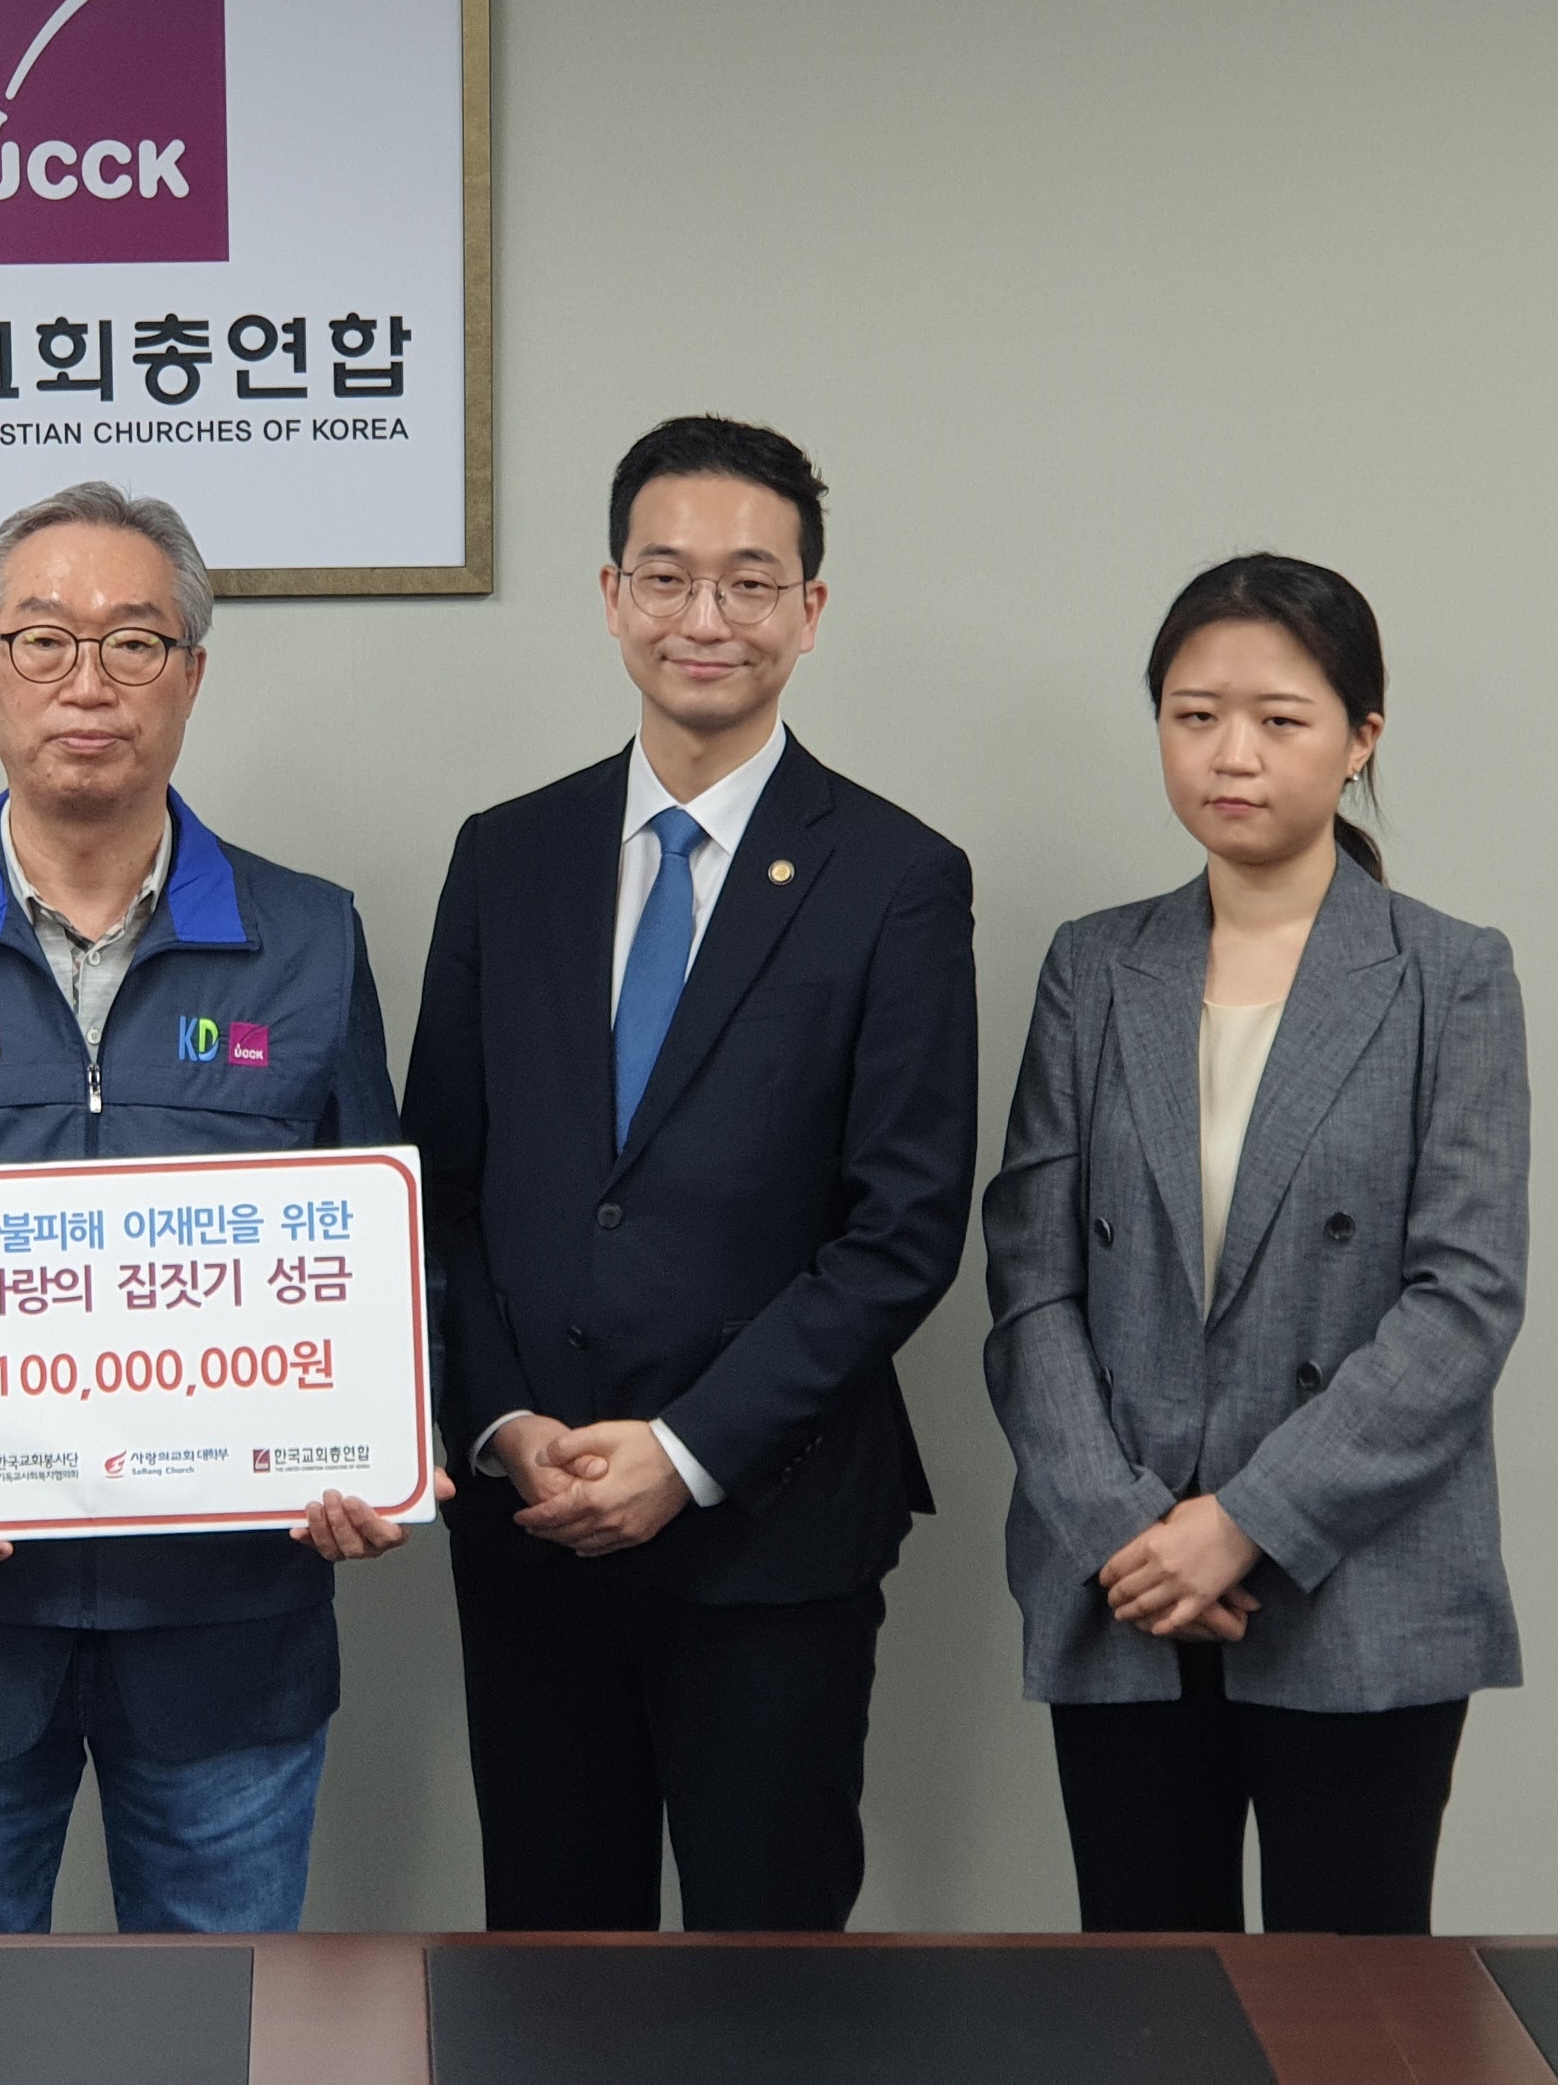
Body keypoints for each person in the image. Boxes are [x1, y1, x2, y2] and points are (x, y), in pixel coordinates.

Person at [0, 479, 416, 1936]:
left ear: (193, 675)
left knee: (225, 2027)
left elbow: (377, 1256)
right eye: (43, 640)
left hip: (231, 1631)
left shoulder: (308, 937)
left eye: (134, 642)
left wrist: (376, 1449)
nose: (88, 683)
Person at [402, 415, 977, 1931]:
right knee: (548, 1963)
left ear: (810, 609)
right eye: (665, 577)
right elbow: (436, 1186)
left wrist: (688, 1448)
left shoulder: (898, 879)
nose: (704, 617)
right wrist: (502, 1423)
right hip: (531, 1521)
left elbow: (902, 1229)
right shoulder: (507, 856)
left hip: (769, 1529)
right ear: (611, 597)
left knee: (771, 1979)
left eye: (749, 581)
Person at [983, 555, 1523, 1935]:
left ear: (1361, 738)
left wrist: (1244, 1526)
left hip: (1360, 1571)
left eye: (1281, 719)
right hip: (1127, 1578)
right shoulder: (1097, 967)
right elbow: (1032, 1279)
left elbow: (1463, 1300)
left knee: (1352, 1997)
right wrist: (1125, 1529)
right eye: (1194, 715)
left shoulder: (1449, 973)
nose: (1233, 754)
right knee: (1145, 1990)